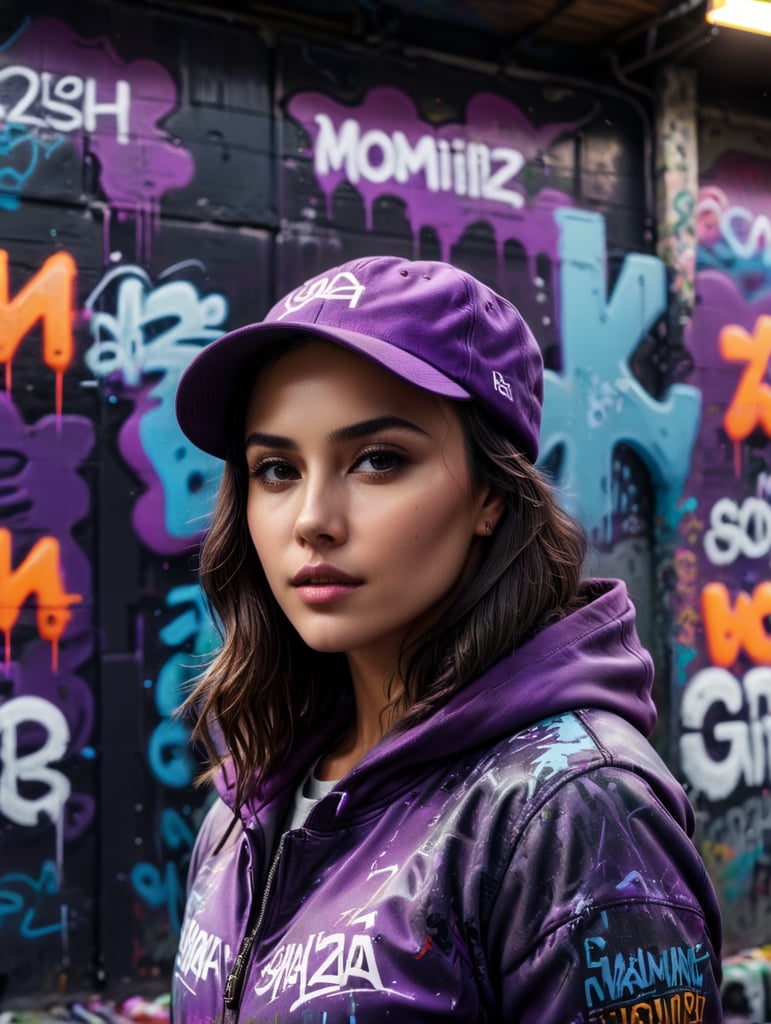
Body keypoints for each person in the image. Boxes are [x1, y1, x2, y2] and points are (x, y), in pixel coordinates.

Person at [172, 255, 724, 1023]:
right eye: (276, 469)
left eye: (377, 460)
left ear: (490, 496)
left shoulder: (570, 813)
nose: (311, 519)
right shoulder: (249, 798)